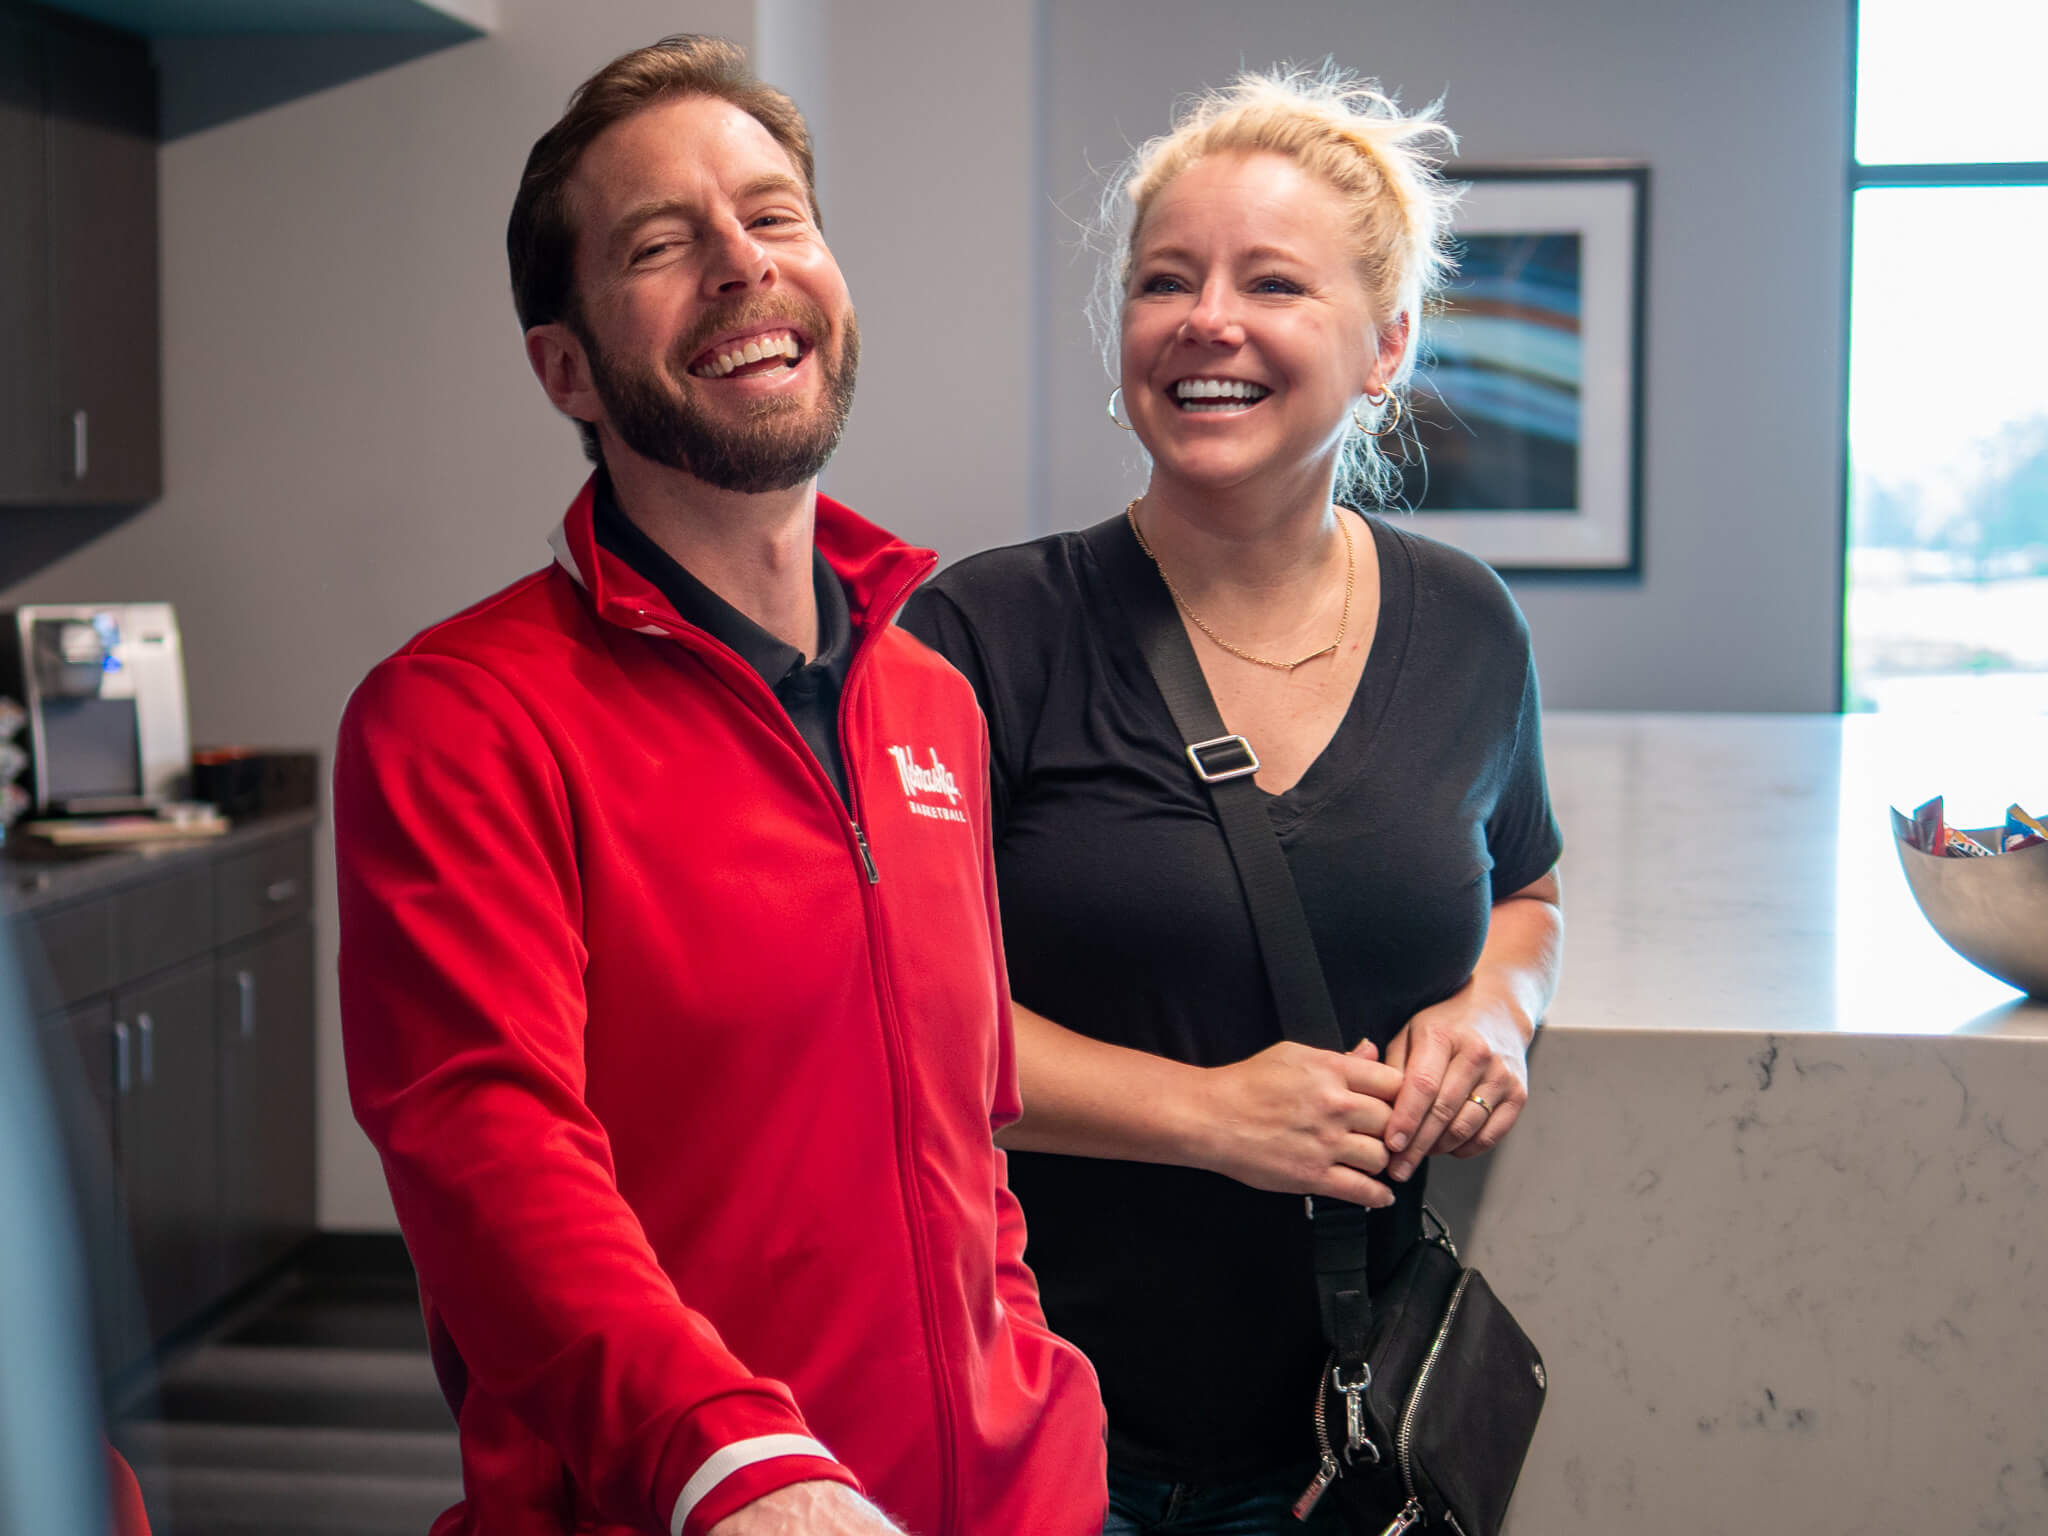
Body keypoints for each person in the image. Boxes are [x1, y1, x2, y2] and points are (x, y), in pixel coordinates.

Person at [333, 36, 1104, 1536]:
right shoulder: (460, 721)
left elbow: (968, 1149)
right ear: (566, 366)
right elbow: (492, 1162)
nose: (744, 268)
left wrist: (1039, 1438)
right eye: (660, 245)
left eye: (776, 217)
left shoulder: (929, 701)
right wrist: (733, 1469)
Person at [900, 67, 1565, 1534]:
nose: (1207, 319)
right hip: (1041, 1423)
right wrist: (1206, 1115)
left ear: (1385, 343)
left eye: (1273, 282)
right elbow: (890, 1015)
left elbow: (1528, 886)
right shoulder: (977, 638)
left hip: (1349, 1436)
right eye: (1164, 282)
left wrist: (1496, 1012)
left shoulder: (1468, 627)